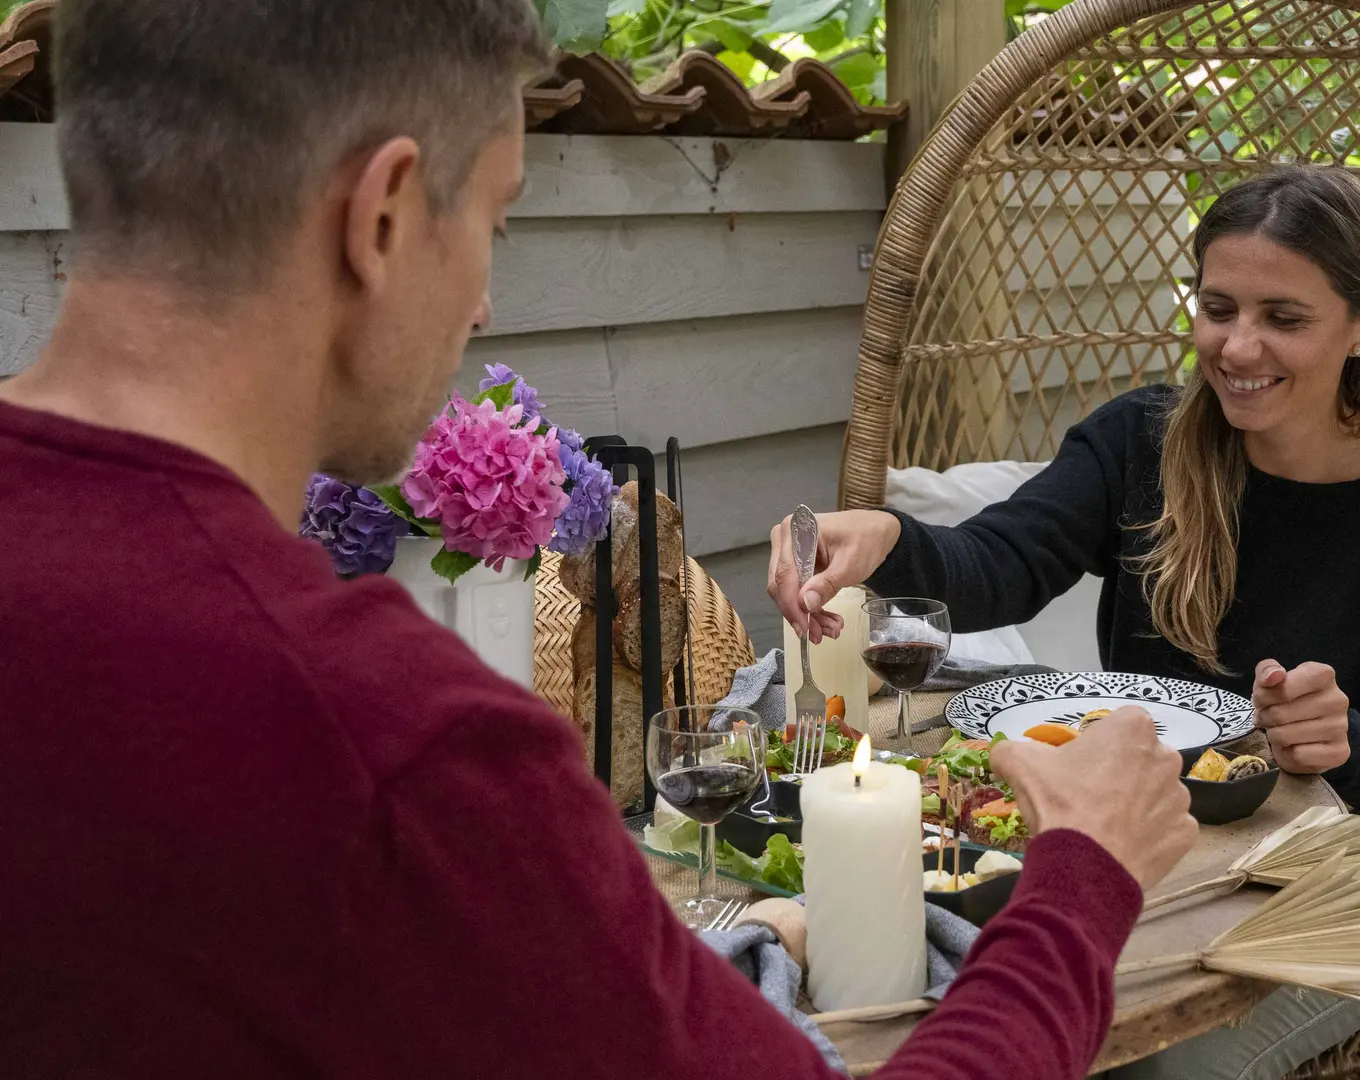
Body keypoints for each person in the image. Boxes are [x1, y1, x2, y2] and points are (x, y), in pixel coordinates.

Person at [0, 2, 1199, 1077]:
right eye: (495, 221)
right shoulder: (392, 745)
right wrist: (1082, 879)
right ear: (378, 216)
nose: (480, 305)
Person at [767, 164, 1360, 1078]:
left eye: (1284, 318)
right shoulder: (1143, 440)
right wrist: (889, 539)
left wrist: (1347, 738)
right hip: (1153, 858)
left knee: (1139, 1067)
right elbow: (1003, 562)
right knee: (976, 1008)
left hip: (1338, 886)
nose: (1237, 347)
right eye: (1217, 306)